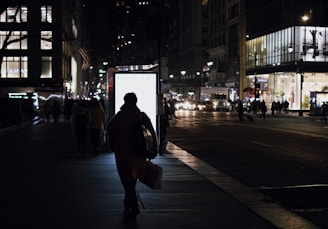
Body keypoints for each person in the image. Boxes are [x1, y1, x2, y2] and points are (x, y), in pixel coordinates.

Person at [107, 92, 158, 220]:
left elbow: (109, 128)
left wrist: (112, 145)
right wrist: (154, 148)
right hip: (138, 153)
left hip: (122, 152)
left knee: (125, 178)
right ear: (136, 101)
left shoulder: (119, 116)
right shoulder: (140, 116)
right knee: (133, 177)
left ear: (124, 101)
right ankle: (129, 199)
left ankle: (132, 202)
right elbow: (152, 132)